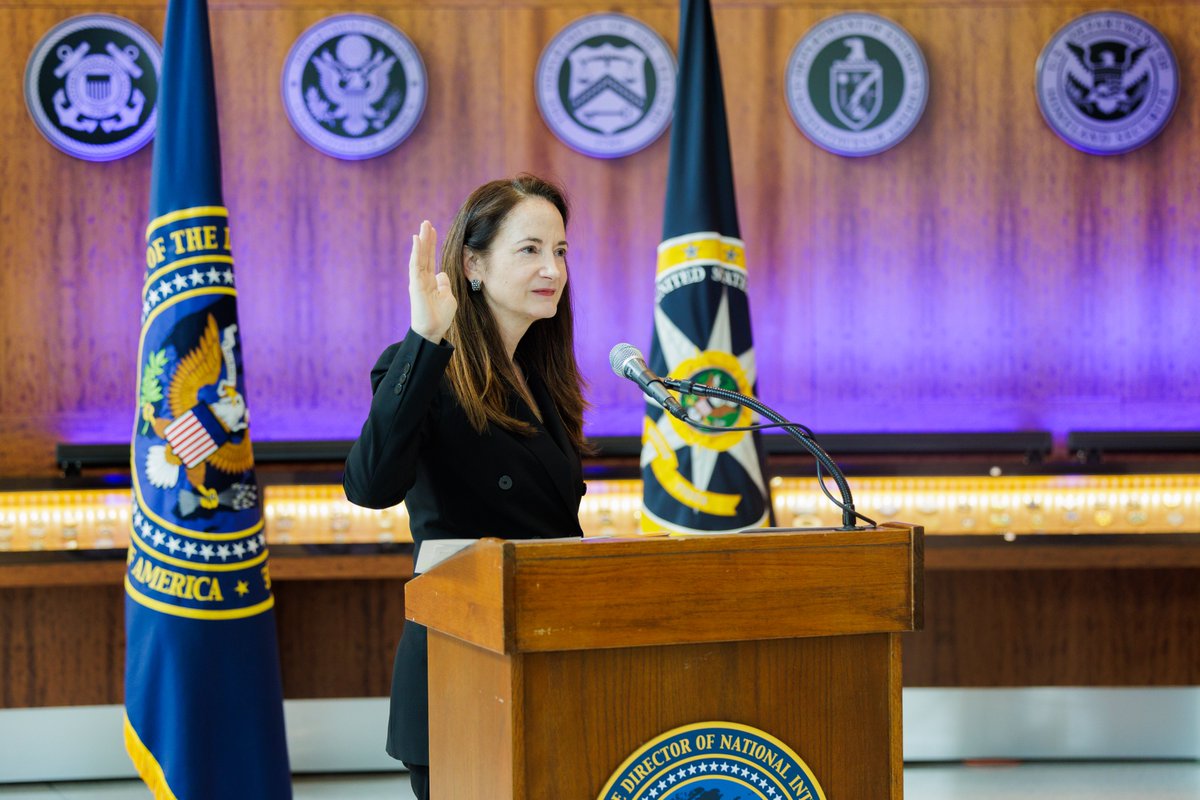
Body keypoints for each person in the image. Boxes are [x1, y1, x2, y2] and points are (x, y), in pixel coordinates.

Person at [343, 175, 590, 799]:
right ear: (473, 264)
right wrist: (425, 339)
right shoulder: (422, 366)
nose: (552, 268)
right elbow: (370, 485)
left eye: (560, 251)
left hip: (548, 657)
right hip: (463, 664)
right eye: (530, 249)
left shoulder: (543, 379)